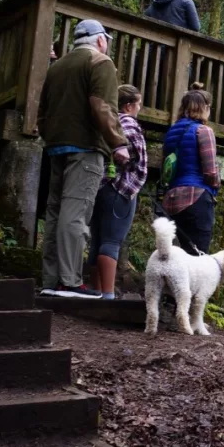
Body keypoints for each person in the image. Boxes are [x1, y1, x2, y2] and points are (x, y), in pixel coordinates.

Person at [38, 19, 129, 298]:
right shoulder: (100, 63)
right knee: (76, 213)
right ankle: (69, 281)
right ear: (100, 40)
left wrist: (49, 136)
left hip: (56, 146)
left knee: (54, 212)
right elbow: (102, 106)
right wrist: (118, 143)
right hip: (86, 148)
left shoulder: (58, 67)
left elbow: (43, 110)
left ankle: (51, 281)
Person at [87, 85, 147, 300]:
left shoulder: (106, 122)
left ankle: (95, 289)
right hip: (120, 186)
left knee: (97, 240)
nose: (139, 108)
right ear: (129, 105)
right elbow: (136, 157)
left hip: (99, 185)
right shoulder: (128, 123)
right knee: (112, 241)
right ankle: (108, 294)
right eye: (138, 103)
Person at [161, 84, 220, 253]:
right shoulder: (203, 131)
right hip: (196, 197)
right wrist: (216, 185)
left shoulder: (172, 132)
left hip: (172, 199)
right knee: (198, 255)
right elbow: (210, 171)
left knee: (177, 256)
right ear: (204, 108)